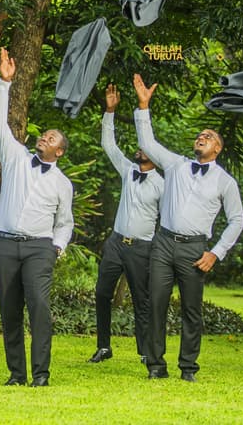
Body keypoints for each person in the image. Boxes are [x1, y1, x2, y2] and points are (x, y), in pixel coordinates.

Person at [132, 74, 243, 382]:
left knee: (191, 311)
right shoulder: (176, 165)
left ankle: (188, 368)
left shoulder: (225, 182)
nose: (201, 137)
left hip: (195, 249)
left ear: (217, 148)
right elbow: (147, 143)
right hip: (164, 243)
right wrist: (143, 107)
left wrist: (217, 253)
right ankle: (156, 366)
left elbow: (237, 220)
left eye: (208, 136)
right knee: (155, 303)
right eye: (200, 134)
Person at [0, 48, 74, 387]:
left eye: (51, 138)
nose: (44, 138)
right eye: (43, 134)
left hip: (40, 248)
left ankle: (41, 374)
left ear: (59, 151)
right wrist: (4, 83)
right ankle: (16, 373)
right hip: (4, 245)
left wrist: (57, 247)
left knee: (38, 306)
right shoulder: (15, 158)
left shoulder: (63, 184)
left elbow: (65, 222)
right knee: (10, 312)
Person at [88, 84, 164, 365]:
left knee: (141, 300)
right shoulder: (128, 171)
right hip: (116, 243)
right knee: (102, 293)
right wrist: (110, 111)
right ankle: (104, 346)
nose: (138, 150)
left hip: (141, 248)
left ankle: (145, 350)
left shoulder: (162, 185)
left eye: (144, 148)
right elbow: (109, 145)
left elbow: (166, 220)